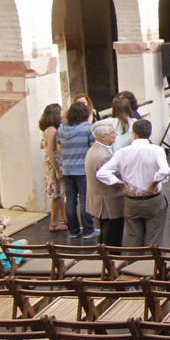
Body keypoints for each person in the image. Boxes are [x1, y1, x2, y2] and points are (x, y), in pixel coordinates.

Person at [98, 118, 170, 248]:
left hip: (131, 201)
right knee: (154, 240)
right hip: (153, 201)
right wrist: (153, 183)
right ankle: (153, 267)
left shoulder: (122, 152)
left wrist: (121, 184)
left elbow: (102, 173)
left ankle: (133, 266)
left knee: (132, 241)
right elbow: (165, 170)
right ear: (149, 134)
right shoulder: (156, 150)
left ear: (134, 134)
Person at [57, 100, 96, 239]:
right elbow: (92, 148)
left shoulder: (61, 129)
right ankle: (88, 229)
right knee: (85, 200)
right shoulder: (87, 128)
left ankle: (73, 230)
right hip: (83, 169)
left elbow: (59, 149)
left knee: (71, 200)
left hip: (67, 169)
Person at [86, 120, 126, 246]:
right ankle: (112, 263)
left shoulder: (94, 150)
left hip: (100, 201)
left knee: (105, 235)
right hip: (109, 203)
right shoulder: (103, 156)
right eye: (112, 133)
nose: (116, 135)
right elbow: (113, 178)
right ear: (103, 137)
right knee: (112, 239)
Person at [38, 102, 67, 233]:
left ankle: (63, 219)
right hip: (54, 164)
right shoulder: (52, 130)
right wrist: (57, 169)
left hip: (50, 164)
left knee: (59, 193)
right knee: (56, 195)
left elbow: (42, 146)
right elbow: (50, 151)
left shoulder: (46, 130)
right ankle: (54, 223)